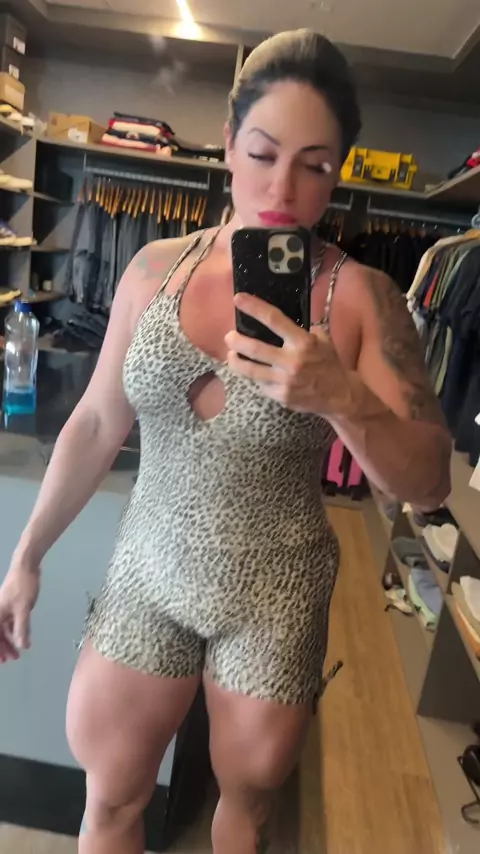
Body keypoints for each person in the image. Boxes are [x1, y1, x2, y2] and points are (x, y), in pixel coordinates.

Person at [0, 29, 451, 854]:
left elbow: (427, 484)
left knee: (243, 813)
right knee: (109, 798)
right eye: (263, 153)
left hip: (275, 591)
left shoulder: (365, 300)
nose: (282, 187)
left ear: (339, 172)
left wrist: (344, 397)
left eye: (314, 165)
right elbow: (96, 421)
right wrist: (27, 554)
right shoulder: (152, 269)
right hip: (149, 567)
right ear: (230, 143)